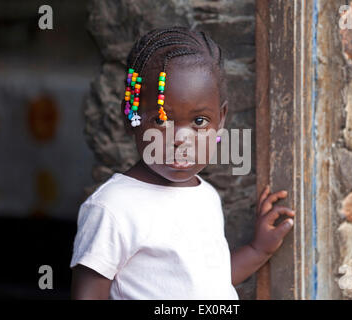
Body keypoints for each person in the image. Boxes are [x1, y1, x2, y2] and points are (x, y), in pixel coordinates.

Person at [70, 26, 295, 300]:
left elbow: (207, 283)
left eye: (199, 122)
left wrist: (259, 250)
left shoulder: (206, 196)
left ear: (220, 120)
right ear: (131, 117)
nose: (180, 139)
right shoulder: (113, 207)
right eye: (161, 120)